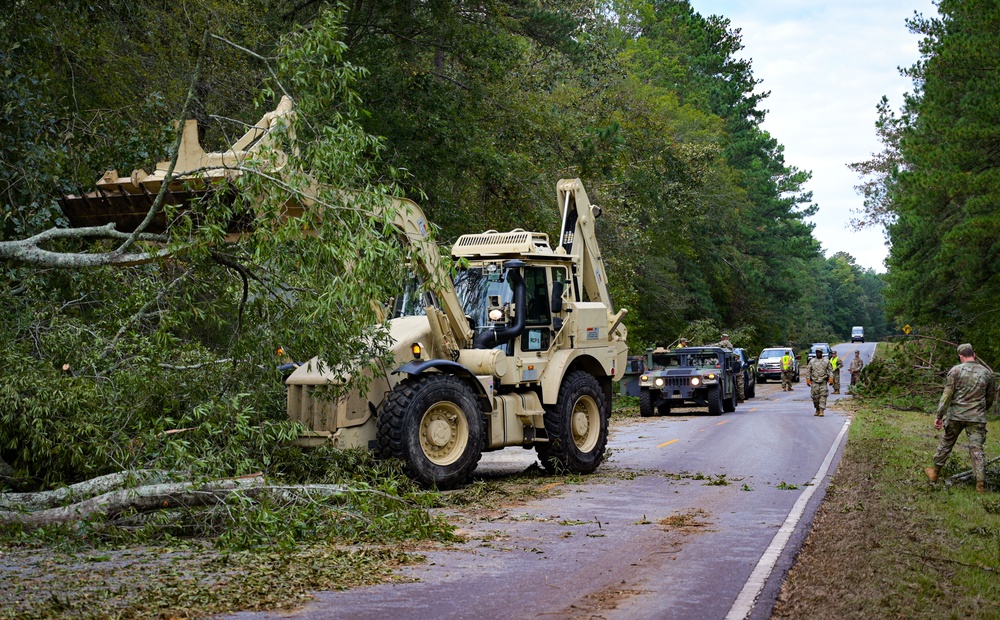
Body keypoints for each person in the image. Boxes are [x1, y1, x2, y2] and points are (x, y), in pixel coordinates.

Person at [926, 343, 997, 493]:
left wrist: (939, 415)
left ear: (960, 356)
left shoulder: (955, 371)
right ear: (974, 354)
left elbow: (947, 395)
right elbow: (990, 397)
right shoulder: (986, 373)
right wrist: (982, 410)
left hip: (955, 416)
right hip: (976, 417)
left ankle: (935, 472)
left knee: (946, 443)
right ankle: (980, 485)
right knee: (977, 450)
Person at [805, 349, 833, 416]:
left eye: (820, 352)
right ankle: (817, 409)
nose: (818, 353)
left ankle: (821, 410)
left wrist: (831, 378)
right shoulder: (812, 361)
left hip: (823, 381)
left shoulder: (826, 361)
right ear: (816, 353)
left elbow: (830, 370)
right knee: (815, 397)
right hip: (814, 382)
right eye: (817, 352)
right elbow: (808, 370)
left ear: (822, 353)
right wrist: (808, 379)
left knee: (823, 396)